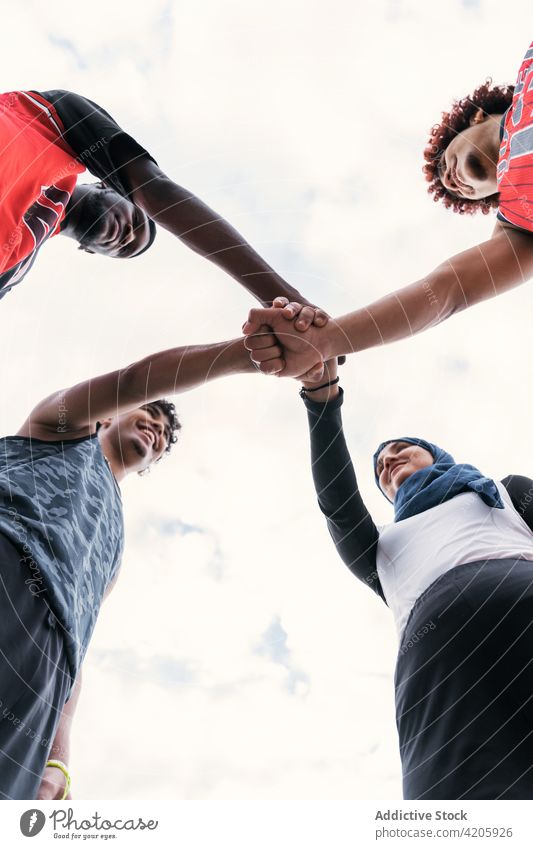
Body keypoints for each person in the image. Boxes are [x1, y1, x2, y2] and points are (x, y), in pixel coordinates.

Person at [0, 327, 282, 801]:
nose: (157, 427)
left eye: (166, 434)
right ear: (109, 417)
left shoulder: (114, 547)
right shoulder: (58, 428)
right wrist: (247, 355)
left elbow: (79, 647)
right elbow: (133, 379)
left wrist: (58, 758)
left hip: (44, 669)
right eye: (149, 412)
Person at [296, 357, 533, 799]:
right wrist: (321, 400)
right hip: (441, 677)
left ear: (436, 455)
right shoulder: (379, 545)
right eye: (381, 465)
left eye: (402, 448)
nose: (390, 459)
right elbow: (337, 502)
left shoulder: (504, 491)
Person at [242, 40, 533, 377]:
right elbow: (446, 289)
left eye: (444, 164)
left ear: (477, 116)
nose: (452, 181)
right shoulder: (518, 223)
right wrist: (328, 340)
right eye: (464, 192)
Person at [0, 88, 325, 319]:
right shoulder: (51, 118)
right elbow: (157, 191)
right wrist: (281, 296)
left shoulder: (14, 270)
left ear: (92, 251)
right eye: (137, 221)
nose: (128, 236)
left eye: (125, 249)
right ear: (109, 185)